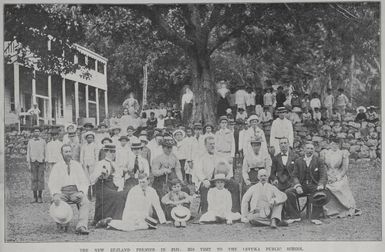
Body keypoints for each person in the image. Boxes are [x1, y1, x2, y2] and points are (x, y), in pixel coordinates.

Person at [100, 173, 167, 231]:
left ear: (148, 181)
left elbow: (157, 206)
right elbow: (129, 207)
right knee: (129, 228)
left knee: (145, 226)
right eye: (140, 182)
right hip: (132, 215)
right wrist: (136, 218)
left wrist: (163, 221)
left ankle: (110, 223)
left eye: (143, 182)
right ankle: (109, 222)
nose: (142, 184)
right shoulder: (134, 190)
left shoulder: (152, 191)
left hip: (145, 216)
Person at [48, 144, 90, 235]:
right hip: (62, 192)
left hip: (75, 192)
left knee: (85, 201)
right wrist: (55, 194)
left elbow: (83, 181)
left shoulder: (77, 165)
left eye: (69, 151)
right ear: (61, 153)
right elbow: (52, 182)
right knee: (56, 200)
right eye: (66, 152)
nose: (68, 154)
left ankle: (81, 226)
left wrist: (81, 192)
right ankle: (62, 222)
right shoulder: (57, 166)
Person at [285, 143, 328, 225]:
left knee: (320, 193)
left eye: (312, 149)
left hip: (314, 185)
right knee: (289, 192)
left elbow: (323, 175)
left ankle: (315, 217)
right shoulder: (298, 161)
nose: (310, 150)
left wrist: (320, 184)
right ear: (304, 149)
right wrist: (297, 186)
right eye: (308, 148)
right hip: (302, 186)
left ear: (314, 150)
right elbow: (294, 175)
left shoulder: (319, 160)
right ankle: (295, 216)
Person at [194, 137, 240, 213]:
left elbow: (228, 167)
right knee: (204, 187)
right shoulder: (200, 156)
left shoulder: (219, 155)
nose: (212, 146)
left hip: (220, 180)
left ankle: (235, 211)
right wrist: (204, 180)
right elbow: (198, 171)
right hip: (208, 180)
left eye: (214, 144)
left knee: (234, 185)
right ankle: (206, 212)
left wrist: (228, 177)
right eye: (210, 144)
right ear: (205, 145)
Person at [320, 138, 361, 218]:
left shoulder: (343, 153)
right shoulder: (325, 152)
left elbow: (345, 168)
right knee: (325, 186)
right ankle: (328, 211)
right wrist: (327, 176)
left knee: (338, 187)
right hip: (327, 174)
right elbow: (323, 166)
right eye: (333, 144)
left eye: (337, 144)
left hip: (339, 174)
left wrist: (337, 177)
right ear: (329, 144)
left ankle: (344, 208)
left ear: (339, 145)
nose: (334, 146)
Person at [90, 144, 128, 225]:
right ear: (106, 152)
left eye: (114, 152)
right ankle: (110, 219)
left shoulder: (115, 164)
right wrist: (100, 175)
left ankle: (116, 219)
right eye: (110, 152)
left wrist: (120, 188)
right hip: (102, 187)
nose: (113, 154)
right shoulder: (100, 163)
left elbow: (119, 178)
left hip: (113, 186)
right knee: (117, 195)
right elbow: (92, 179)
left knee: (123, 194)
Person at [27, 126, 46, 203]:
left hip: (41, 162)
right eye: (35, 131)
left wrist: (45, 163)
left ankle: (40, 196)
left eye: (38, 131)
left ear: (40, 133)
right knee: (34, 179)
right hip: (33, 162)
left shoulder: (43, 141)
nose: (36, 133)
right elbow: (28, 153)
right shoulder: (30, 141)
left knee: (40, 179)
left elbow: (45, 152)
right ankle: (34, 196)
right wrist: (28, 163)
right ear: (33, 133)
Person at [80, 131, 99, 199]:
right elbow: (82, 155)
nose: (90, 139)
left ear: (93, 138)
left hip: (93, 164)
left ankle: (94, 193)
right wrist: (82, 163)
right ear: (86, 138)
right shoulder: (84, 146)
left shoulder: (95, 145)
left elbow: (96, 156)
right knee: (86, 179)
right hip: (85, 164)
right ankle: (88, 194)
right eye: (88, 138)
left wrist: (96, 164)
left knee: (93, 178)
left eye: (91, 138)